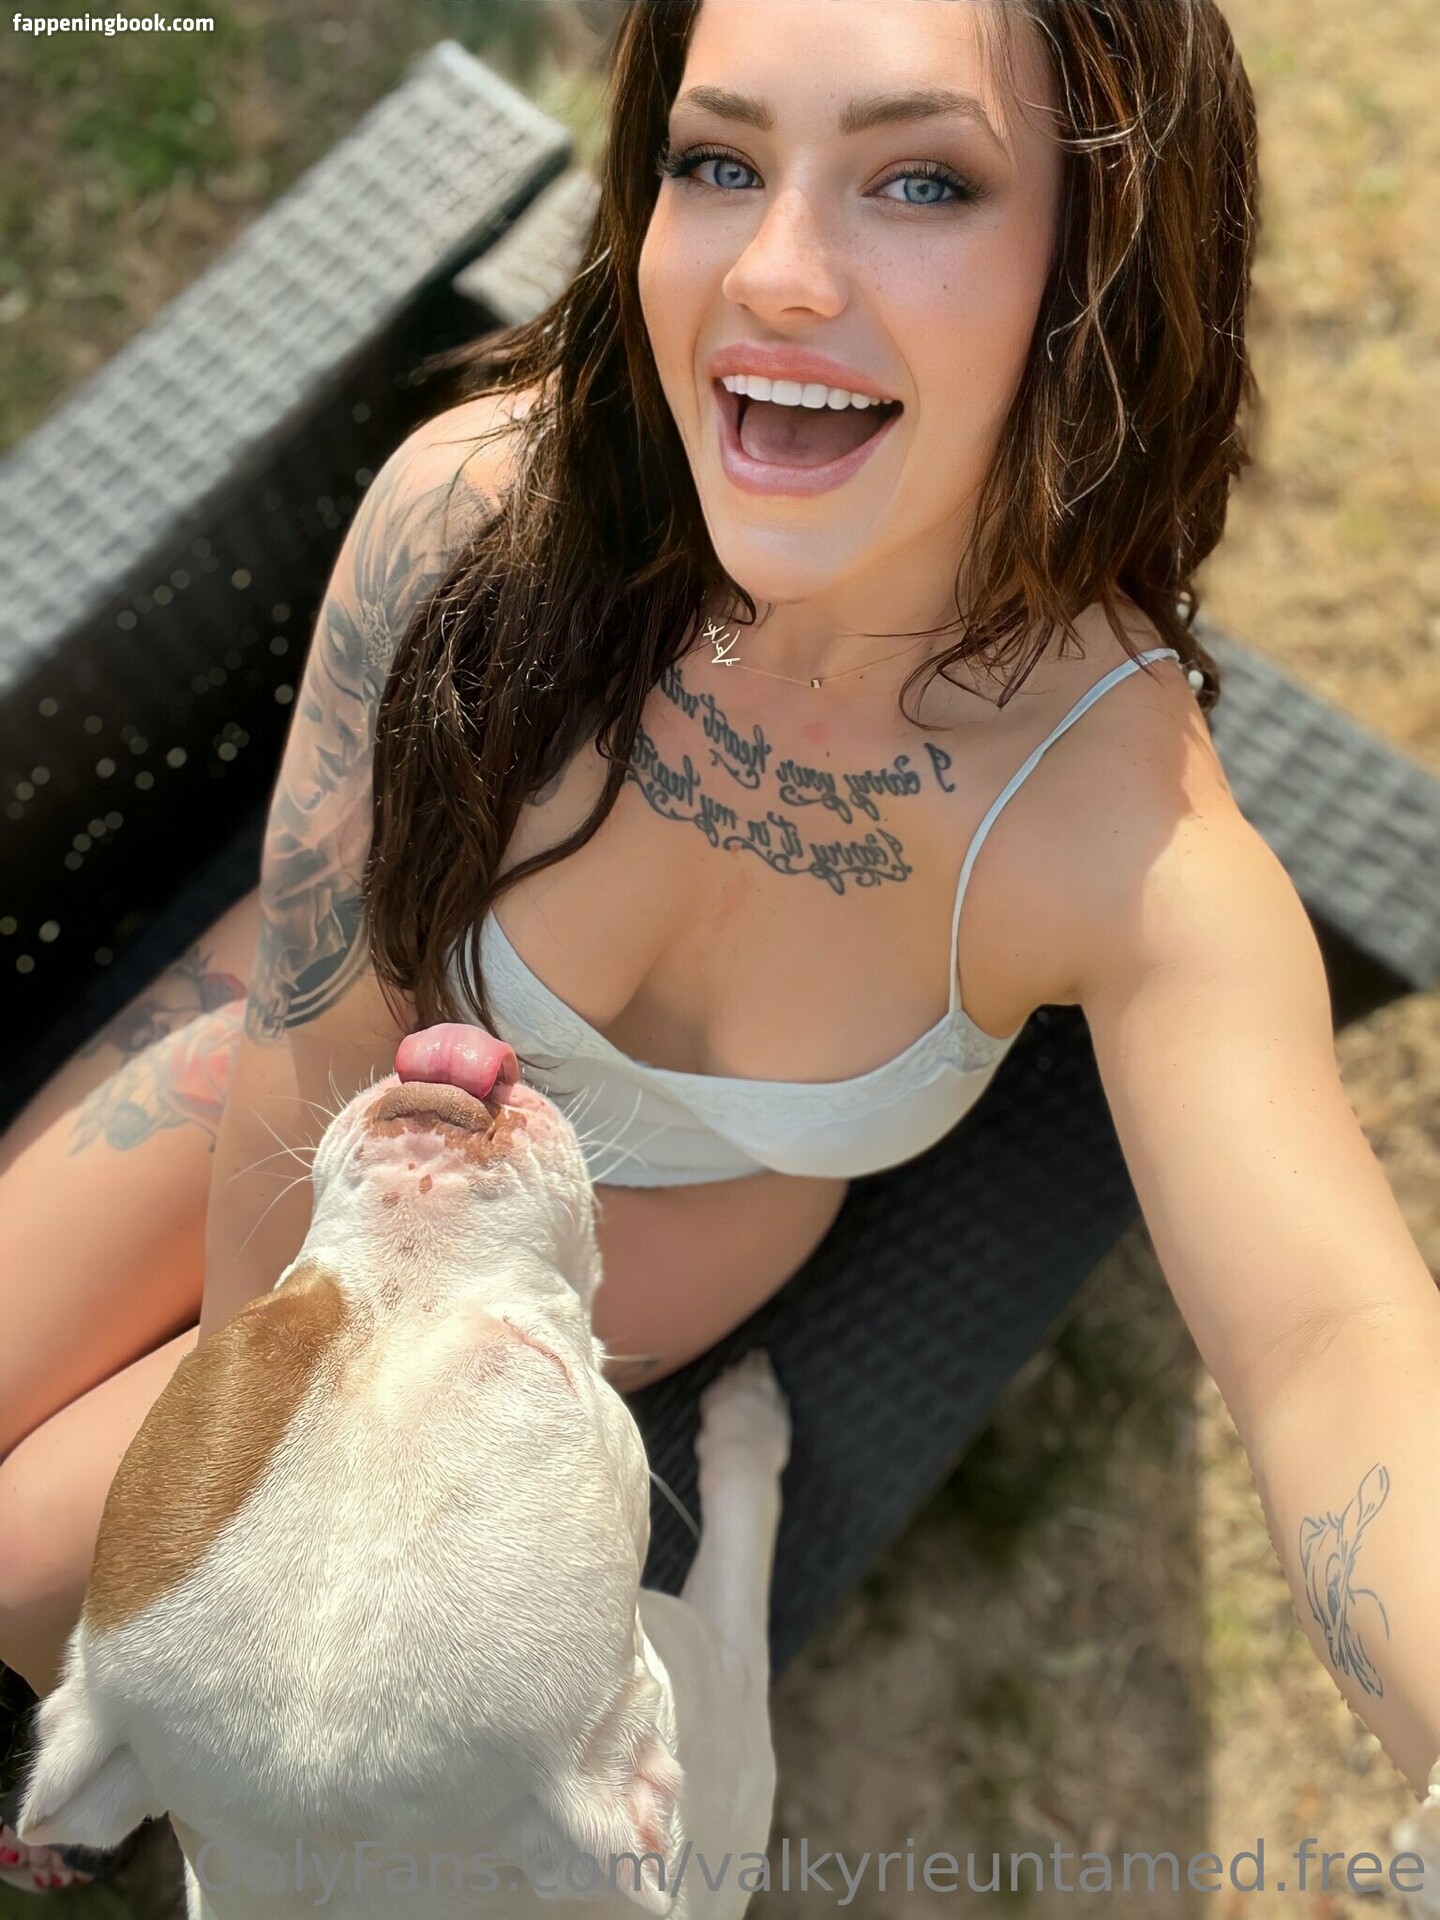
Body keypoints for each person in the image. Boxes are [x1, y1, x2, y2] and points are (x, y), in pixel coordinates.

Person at [5, 0, 1440, 1893]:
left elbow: (1333, 1342)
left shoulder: (1126, 840)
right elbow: (316, 1024)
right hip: (341, 1036)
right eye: (719, 162)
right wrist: (277, 1453)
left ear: (1101, 260)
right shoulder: (477, 515)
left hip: (664, 1208)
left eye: (921, 181)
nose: (775, 272)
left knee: (27, 1580)